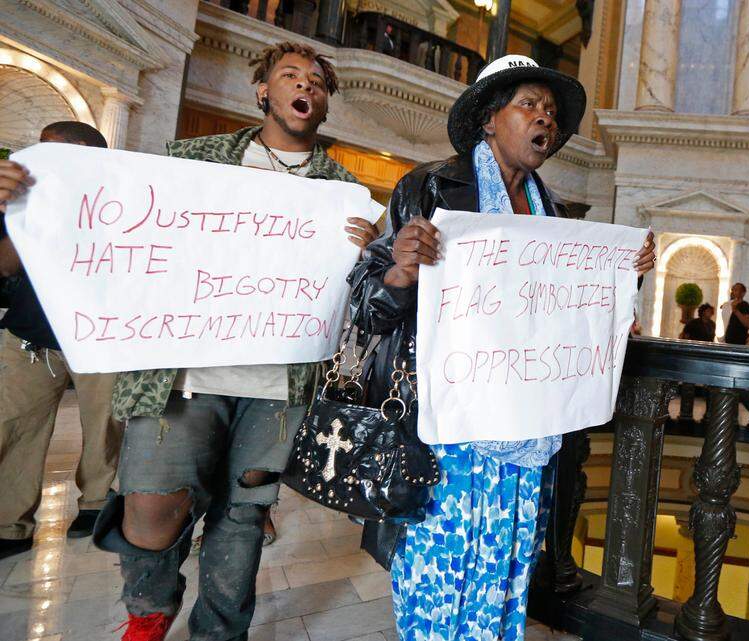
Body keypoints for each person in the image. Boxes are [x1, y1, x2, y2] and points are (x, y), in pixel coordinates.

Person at [0, 42, 381, 641]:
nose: (304, 86)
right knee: (150, 507)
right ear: (263, 93)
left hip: (277, 388)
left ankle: (221, 631)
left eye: (316, 81)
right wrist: (32, 200)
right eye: (289, 75)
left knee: (244, 516)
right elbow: (113, 221)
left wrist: (366, 254)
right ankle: (150, 608)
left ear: (324, 102)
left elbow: (359, 300)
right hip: (182, 375)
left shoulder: (345, 193)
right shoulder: (194, 161)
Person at [348, 54, 656, 640]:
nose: (546, 118)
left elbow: (568, 317)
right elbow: (367, 304)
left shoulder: (555, 215)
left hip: (527, 430)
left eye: (551, 112)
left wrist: (624, 277)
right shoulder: (430, 187)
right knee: (439, 569)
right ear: (490, 120)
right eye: (529, 105)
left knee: (505, 569)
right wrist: (401, 273)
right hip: (446, 431)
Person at [0, 122, 123, 560]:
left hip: (97, 335)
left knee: (104, 425)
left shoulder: (122, 203)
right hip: (30, 336)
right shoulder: (22, 200)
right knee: (13, 426)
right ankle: (9, 523)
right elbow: (5, 267)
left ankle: (95, 503)